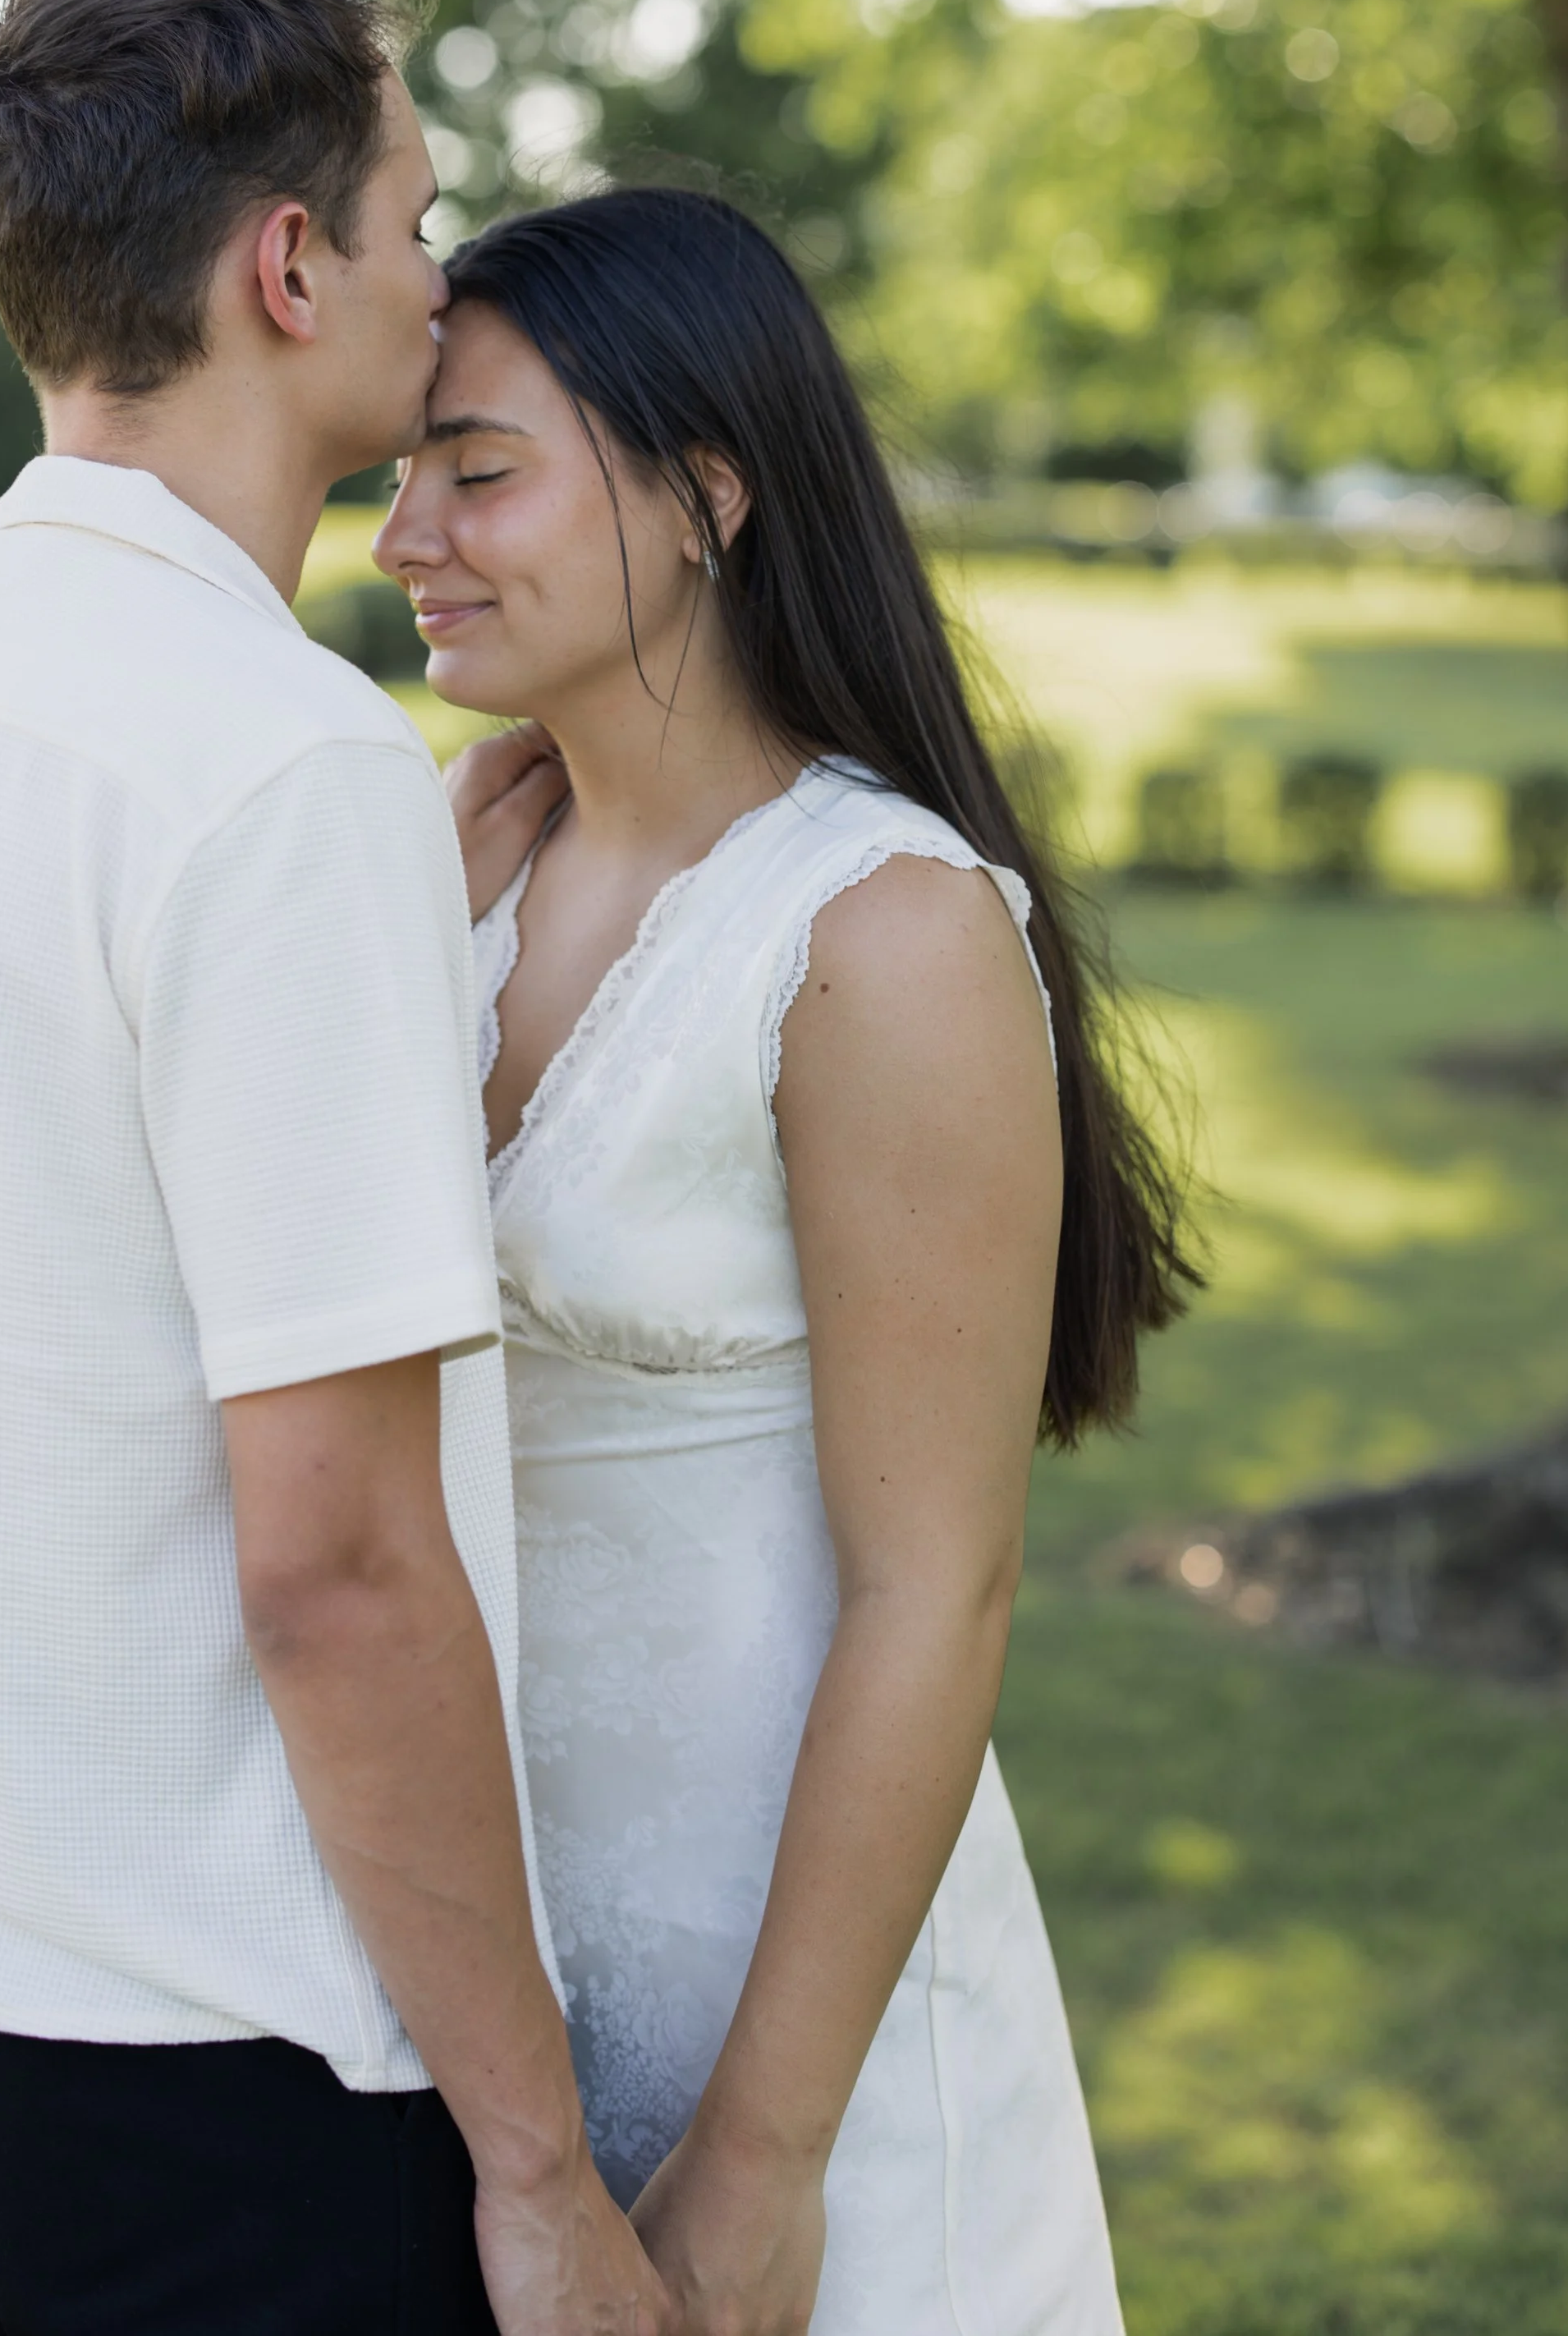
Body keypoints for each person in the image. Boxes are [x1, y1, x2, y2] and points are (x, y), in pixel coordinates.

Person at [0, 0, 668, 2336]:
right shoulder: (280, 771)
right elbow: (334, 1562)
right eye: (416, 221)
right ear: (284, 266)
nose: (441, 283)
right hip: (190, 2037)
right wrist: (538, 2162)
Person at [374, 187, 1194, 2335]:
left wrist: (765, 2146)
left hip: (792, 2007)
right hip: (480, 1994)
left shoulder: (878, 927)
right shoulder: (450, 863)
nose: (403, 539)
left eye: (477, 473)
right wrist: (381, 951)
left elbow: (941, 1583)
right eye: (400, 474)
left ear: (703, 495)